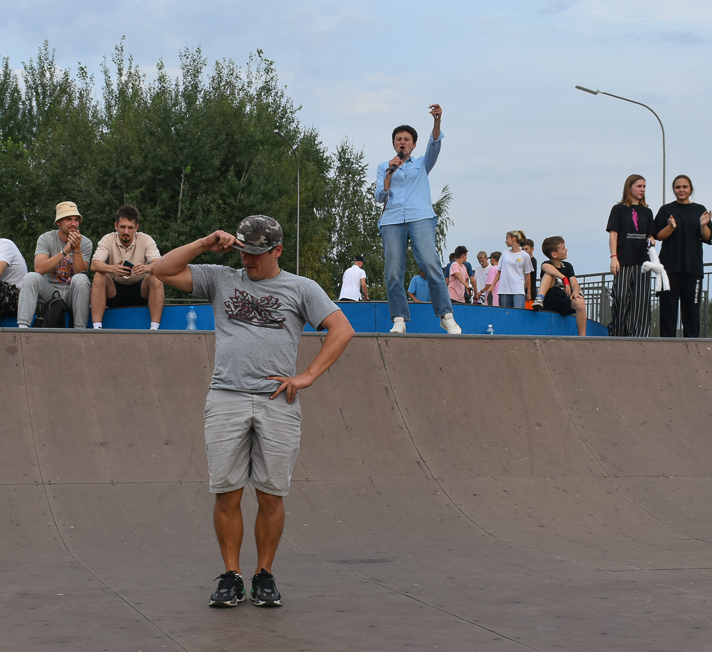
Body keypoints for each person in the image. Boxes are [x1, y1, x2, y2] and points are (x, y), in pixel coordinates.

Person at [150, 215, 354, 609]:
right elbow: (161, 270)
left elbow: (342, 328)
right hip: (226, 396)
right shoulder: (220, 278)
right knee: (227, 491)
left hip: (277, 401)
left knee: (270, 494)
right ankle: (231, 575)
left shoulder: (301, 288)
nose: (248, 260)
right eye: (243, 252)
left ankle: (264, 575)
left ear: (277, 250)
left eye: (256, 254)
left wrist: (308, 375)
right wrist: (204, 243)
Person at [374, 106, 461, 335]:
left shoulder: (422, 163)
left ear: (413, 144)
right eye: (398, 139)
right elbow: (379, 196)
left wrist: (437, 121)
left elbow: (435, 145)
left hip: (420, 216)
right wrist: (390, 173)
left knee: (430, 264)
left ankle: (446, 315)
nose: (402, 142)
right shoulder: (384, 166)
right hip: (392, 220)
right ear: (394, 144)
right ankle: (399, 318)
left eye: (407, 139)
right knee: (393, 271)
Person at [655, 175, 712, 337]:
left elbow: (707, 237)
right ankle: (667, 349)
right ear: (674, 189)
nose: (681, 190)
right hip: (669, 269)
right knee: (668, 312)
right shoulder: (666, 210)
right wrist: (670, 227)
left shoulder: (699, 209)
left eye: (684, 187)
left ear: (690, 189)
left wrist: (703, 224)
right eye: (677, 187)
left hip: (693, 268)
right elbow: (658, 236)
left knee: (692, 312)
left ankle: (693, 347)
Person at [17, 202, 94, 329]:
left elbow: (81, 272)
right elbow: (39, 268)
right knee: (31, 277)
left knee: (81, 279)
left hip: (71, 293)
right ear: (58, 222)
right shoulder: (46, 238)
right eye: (69, 219)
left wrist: (76, 249)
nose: (73, 223)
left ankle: (80, 331)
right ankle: (23, 327)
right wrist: (65, 251)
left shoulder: (85, 243)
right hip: (49, 292)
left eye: (76, 220)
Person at [90, 205, 164, 330]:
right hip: (114, 292)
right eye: (122, 227)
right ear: (115, 226)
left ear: (136, 228)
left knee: (156, 276)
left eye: (130, 228)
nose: (126, 232)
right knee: (99, 275)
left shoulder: (146, 240)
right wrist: (113, 269)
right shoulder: (107, 239)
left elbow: (159, 265)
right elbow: (94, 264)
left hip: (141, 291)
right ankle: (97, 328)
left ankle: (154, 328)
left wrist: (145, 268)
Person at [605, 174, 656, 337]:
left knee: (641, 301)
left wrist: (651, 239)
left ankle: (640, 335)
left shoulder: (647, 212)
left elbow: (650, 234)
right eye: (639, 186)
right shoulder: (618, 209)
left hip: (642, 262)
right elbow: (613, 235)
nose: (642, 190)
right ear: (629, 187)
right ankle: (618, 332)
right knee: (620, 296)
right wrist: (614, 257)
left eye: (644, 187)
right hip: (623, 259)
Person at [533, 236, 587, 336]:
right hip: (550, 299)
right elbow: (545, 267)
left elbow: (574, 283)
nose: (566, 250)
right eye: (563, 248)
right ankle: (539, 298)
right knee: (550, 274)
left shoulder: (567, 266)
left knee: (580, 302)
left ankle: (582, 337)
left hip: (563, 300)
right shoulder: (547, 264)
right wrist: (564, 278)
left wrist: (575, 292)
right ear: (554, 254)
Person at [482, 231, 532, 308]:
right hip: (504, 289)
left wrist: (529, 292)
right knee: (505, 313)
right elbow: (499, 271)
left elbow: (528, 274)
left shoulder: (525, 255)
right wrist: (492, 285)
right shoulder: (505, 254)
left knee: (518, 313)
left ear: (513, 239)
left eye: (507, 238)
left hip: (518, 290)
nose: (506, 241)